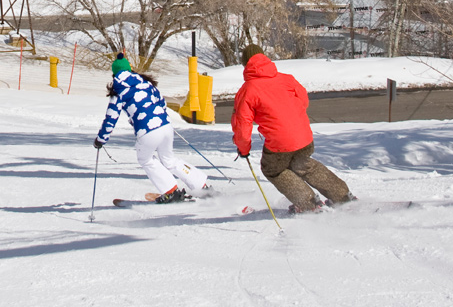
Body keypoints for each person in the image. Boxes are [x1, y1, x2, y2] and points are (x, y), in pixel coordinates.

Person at [232, 44, 355, 213]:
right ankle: (342, 196)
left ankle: (308, 203)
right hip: (304, 137)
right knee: (303, 165)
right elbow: (303, 101)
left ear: (245, 64)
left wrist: (243, 149)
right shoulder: (286, 78)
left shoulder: (247, 90)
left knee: (273, 170)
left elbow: (242, 126)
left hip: (280, 143)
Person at [94, 54, 209, 204]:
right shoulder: (146, 83)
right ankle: (201, 186)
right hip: (165, 126)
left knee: (146, 159)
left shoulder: (119, 91)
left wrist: (101, 140)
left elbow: (111, 119)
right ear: (130, 70)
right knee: (169, 159)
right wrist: (161, 121)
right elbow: (161, 102)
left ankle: (170, 191)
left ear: (114, 74)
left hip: (147, 131)